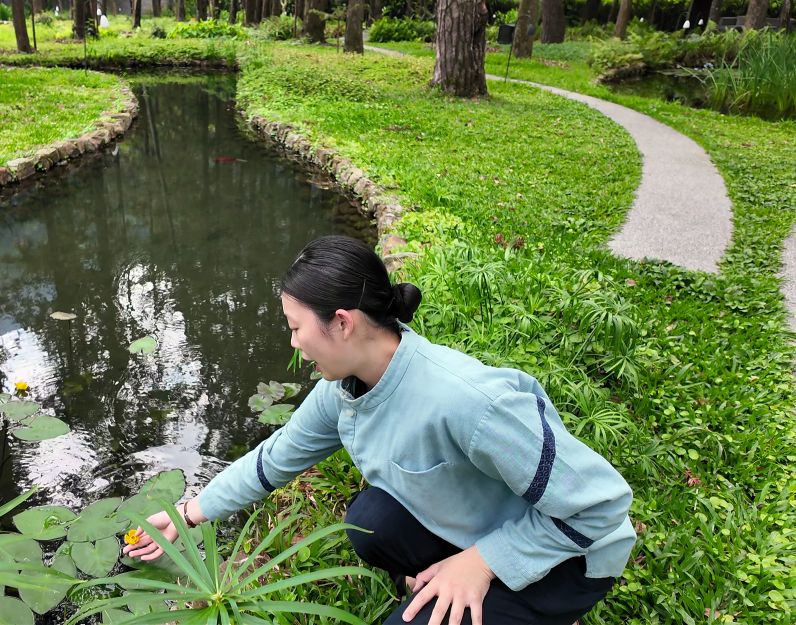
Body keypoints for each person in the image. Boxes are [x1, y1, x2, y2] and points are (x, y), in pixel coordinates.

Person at [123, 236, 635, 625]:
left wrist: (482, 564)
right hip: (482, 524)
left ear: (342, 323)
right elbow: (275, 458)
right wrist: (187, 513)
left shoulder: (469, 403)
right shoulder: (345, 387)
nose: (294, 342)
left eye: (295, 326)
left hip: (567, 558)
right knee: (371, 519)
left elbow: (601, 506)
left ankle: (518, 602)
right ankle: (444, 576)